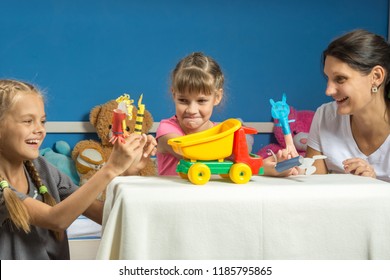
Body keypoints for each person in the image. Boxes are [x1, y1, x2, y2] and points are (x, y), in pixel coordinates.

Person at [0, 79, 157, 259]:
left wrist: (126, 173)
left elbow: (101, 214)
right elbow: (56, 219)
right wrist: (111, 168)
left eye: (42, 121)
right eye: (28, 121)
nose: (40, 130)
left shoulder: (40, 168)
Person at [156, 52, 295, 177]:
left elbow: (239, 162)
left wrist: (270, 167)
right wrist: (258, 165)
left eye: (202, 100)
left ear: (217, 97)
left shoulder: (223, 133)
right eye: (183, 100)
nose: (192, 110)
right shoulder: (167, 129)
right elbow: (190, 152)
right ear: (174, 95)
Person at [306, 29, 390, 182]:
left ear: (376, 77)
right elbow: (313, 191)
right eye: (328, 79)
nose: (328, 91)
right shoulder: (325, 116)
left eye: (340, 79)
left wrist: (374, 183)